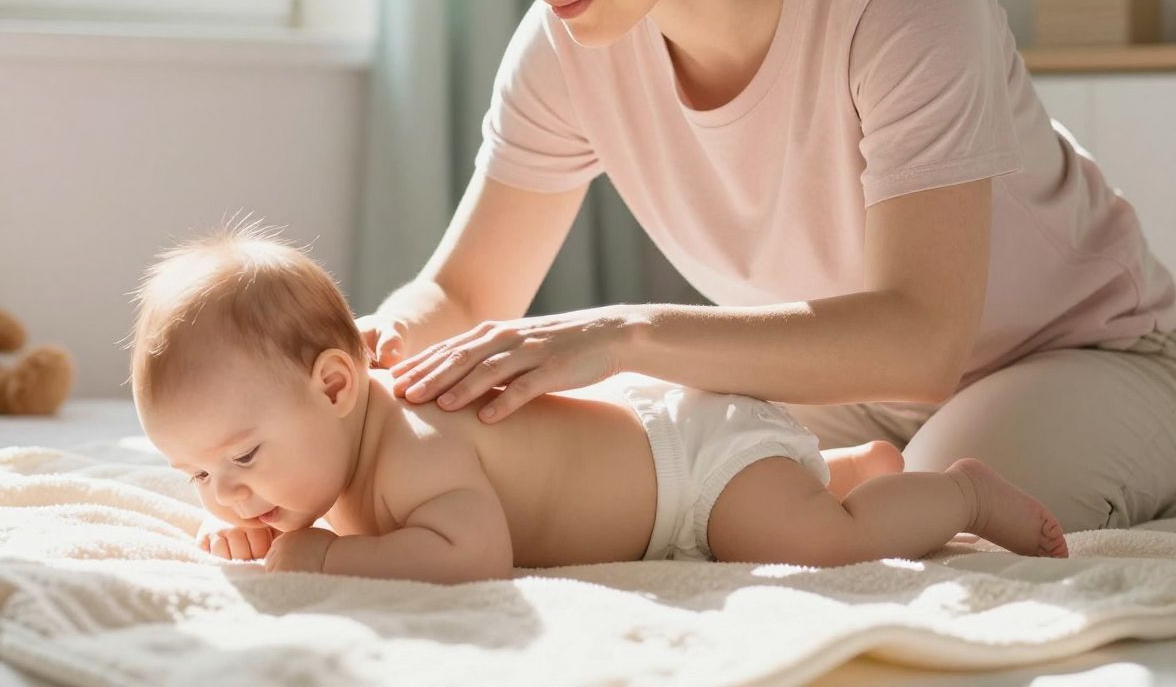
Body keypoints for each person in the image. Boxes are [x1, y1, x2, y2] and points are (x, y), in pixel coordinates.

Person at [361, 0, 1176, 534]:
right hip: (843, 390)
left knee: (929, 524)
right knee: (634, 481)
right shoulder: (565, 46)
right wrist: (346, 353)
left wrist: (624, 333)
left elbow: (921, 339)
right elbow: (463, 293)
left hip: (1082, 357)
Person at [129, 226, 1066, 580]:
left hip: (694, 467)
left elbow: (471, 553)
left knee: (809, 544)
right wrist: (267, 522)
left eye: (243, 460)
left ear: (338, 385)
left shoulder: (412, 443)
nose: (226, 492)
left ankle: (958, 495)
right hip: (663, 449)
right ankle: (853, 469)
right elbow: (313, 506)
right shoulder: (326, 454)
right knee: (803, 503)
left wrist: (329, 558)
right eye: (199, 473)